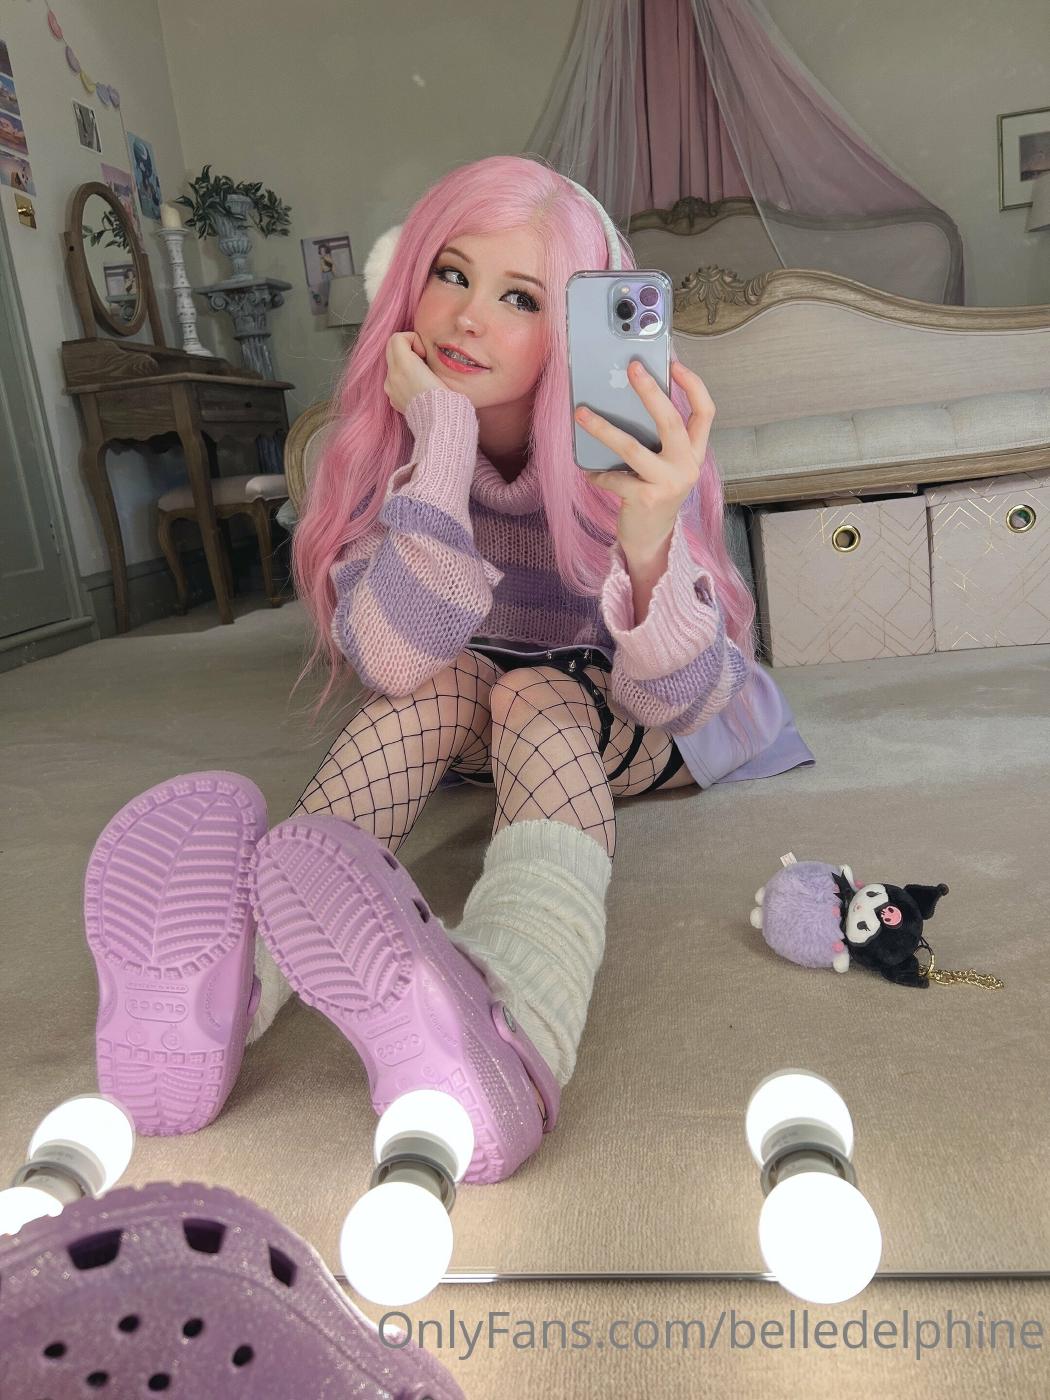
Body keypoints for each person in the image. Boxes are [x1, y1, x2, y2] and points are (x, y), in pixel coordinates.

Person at [83, 155, 813, 1186]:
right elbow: (395, 659)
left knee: (534, 691)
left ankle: (520, 1030)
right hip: (466, 691)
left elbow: (678, 697)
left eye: (521, 297)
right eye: (451, 273)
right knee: (444, 682)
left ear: (576, 330)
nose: (468, 317)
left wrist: (651, 539)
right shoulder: (386, 449)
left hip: (629, 708)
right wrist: (440, 442)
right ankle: (230, 991)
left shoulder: (635, 459)